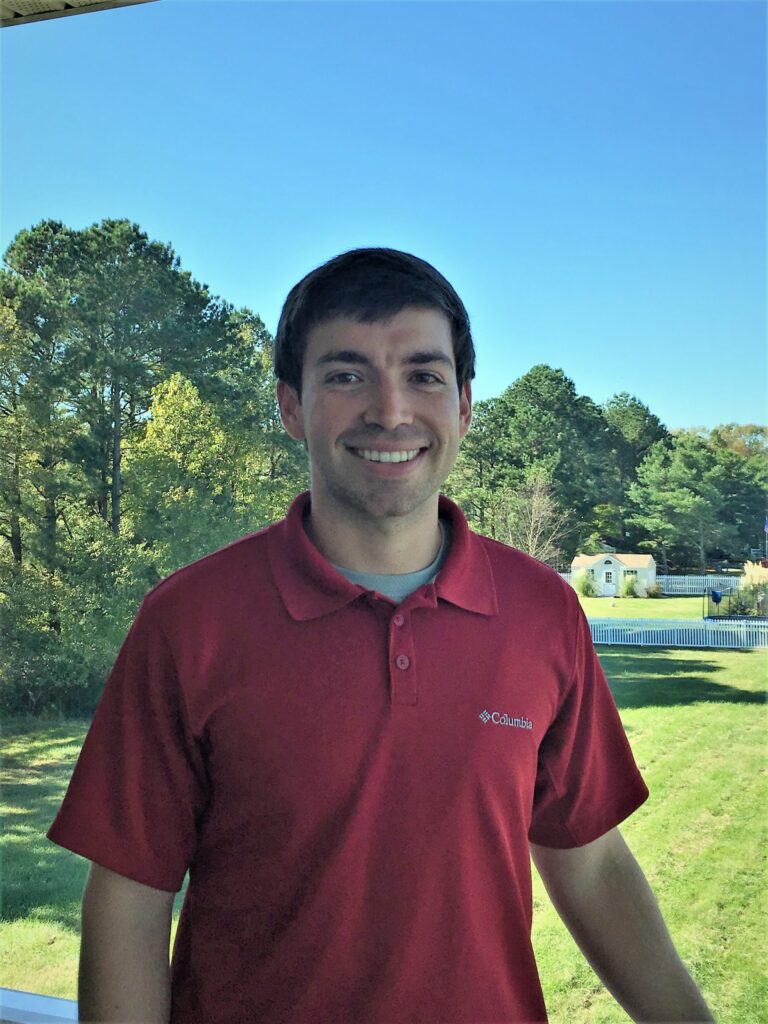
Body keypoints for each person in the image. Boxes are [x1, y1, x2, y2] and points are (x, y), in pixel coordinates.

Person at [49, 248, 715, 1024]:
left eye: (423, 375)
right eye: (346, 375)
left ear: (464, 406)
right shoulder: (189, 622)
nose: (390, 410)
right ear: (290, 406)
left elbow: (590, 862)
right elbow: (130, 897)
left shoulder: (543, 613)